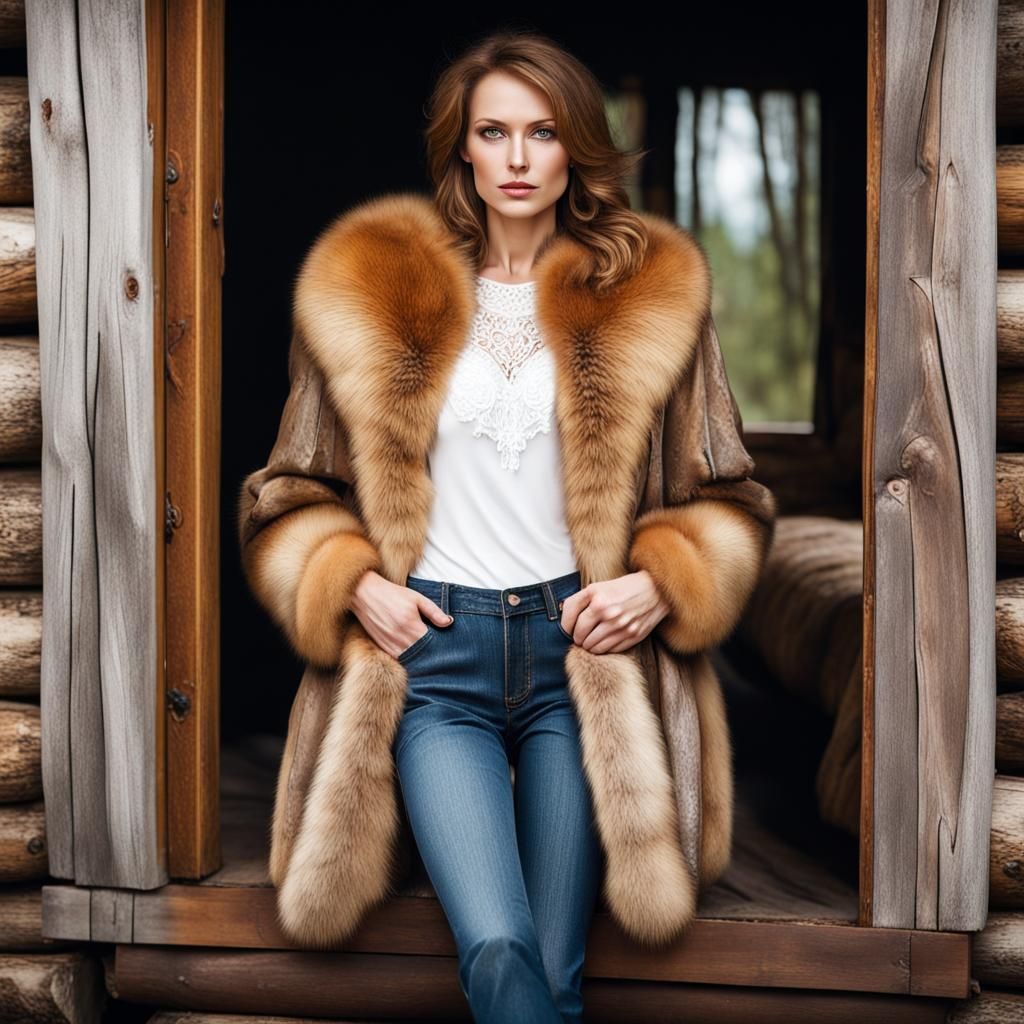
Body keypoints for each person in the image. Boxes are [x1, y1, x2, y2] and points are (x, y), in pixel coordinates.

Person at [237, 28, 777, 1024]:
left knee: (559, 970)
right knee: (495, 939)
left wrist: (659, 580)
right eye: (494, 132)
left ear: (577, 147)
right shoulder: (372, 286)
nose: (519, 158)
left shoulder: (652, 295)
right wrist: (353, 581)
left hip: (583, 662)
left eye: (541, 132)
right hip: (436, 661)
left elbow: (730, 494)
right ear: (462, 148)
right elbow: (287, 488)